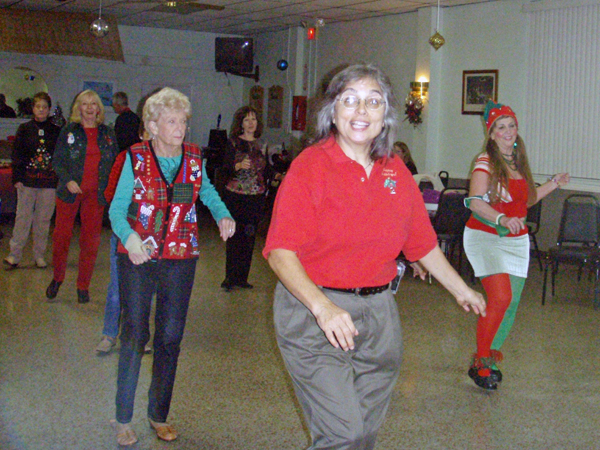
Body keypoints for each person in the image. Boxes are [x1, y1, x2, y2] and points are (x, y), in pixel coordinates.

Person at [263, 63, 486, 450]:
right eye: (349, 101)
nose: (361, 111)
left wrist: (459, 288)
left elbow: (421, 243)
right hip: (314, 312)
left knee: (363, 434)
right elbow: (280, 252)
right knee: (342, 433)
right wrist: (322, 308)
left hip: (379, 314)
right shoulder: (310, 167)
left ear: (386, 116)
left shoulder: (395, 170)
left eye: (373, 102)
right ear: (332, 111)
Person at [109, 87, 235, 446]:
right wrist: (131, 242)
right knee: (135, 333)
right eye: (171, 121)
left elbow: (205, 190)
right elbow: (117, 210)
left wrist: (223, 213)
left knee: (170, 337)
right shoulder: (135, 157)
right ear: (152, 124)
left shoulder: (194, 158)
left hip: (181, 258)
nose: (180, 128)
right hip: (138, 255)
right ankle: (123, 417)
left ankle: (158, 414)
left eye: (183, 121)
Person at [463, 100, 570, 390]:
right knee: (499, 297)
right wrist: (500, 217)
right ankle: (481, 361)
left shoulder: (518, 161)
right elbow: (474, 202)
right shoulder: (485, 160)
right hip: (486, 236)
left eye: (511, 125)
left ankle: (488, 355)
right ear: (492, 133)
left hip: (516, 240)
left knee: (509, 305)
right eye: (501, 127)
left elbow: (528, 200)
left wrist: (554, 183)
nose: (507, 131)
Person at [45, 89, 118, 304]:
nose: (88, 108)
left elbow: (115, 163)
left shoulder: (107, 133)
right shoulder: (69, 131)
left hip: (95, 195)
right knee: (61, 237)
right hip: (69, 192)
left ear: (98, 108)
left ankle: (83, 285)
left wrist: (111, 190)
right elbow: (57, 160)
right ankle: (57, 278)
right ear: (78, 107)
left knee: (90, 241)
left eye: (93, 103)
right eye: (84, 103)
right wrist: (68, 179)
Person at [4, 92, 61, 269]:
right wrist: (17, 178)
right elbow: (17, 155)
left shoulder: (56, 130)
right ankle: (15, 254)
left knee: (43, 220)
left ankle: (39, 255)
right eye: (38, 106)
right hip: (27, 181)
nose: (41, 110)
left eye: (44, 107)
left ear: (49, 109)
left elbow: (60, 157)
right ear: (33, 109)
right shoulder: (24, 129)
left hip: (48, 183)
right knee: (22, 218)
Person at [220, 105, 273, 291]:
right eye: (247, 120)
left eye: (254, 119)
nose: (251, 123)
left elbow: (267, 169)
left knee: (249, 238)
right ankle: (230, 278)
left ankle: (243, 278)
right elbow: (224, 169)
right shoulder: (233, 142)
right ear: (241, 123)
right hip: (236, 196)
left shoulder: (262, 144)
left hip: (255, 197)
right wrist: (238, 165)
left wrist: (276, 177)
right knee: (234, 237)